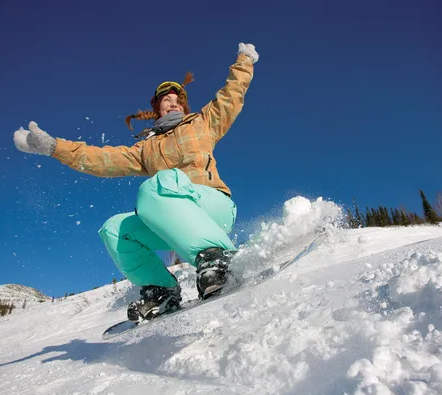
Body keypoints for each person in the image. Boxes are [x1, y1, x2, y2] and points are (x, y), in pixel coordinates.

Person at [13, 42, 259, 321]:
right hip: (174, 222)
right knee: (115, 229)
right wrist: (54, 147)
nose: (174, 103)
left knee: (160, 184)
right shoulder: (145, 149)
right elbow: (102, 159)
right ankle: (161, 290)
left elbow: (230, 96)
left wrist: (245, 61)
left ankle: (216, 258)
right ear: (157, 108)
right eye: (167, 100)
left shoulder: (202, 123)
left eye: (178, 100)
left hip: (211, 206)